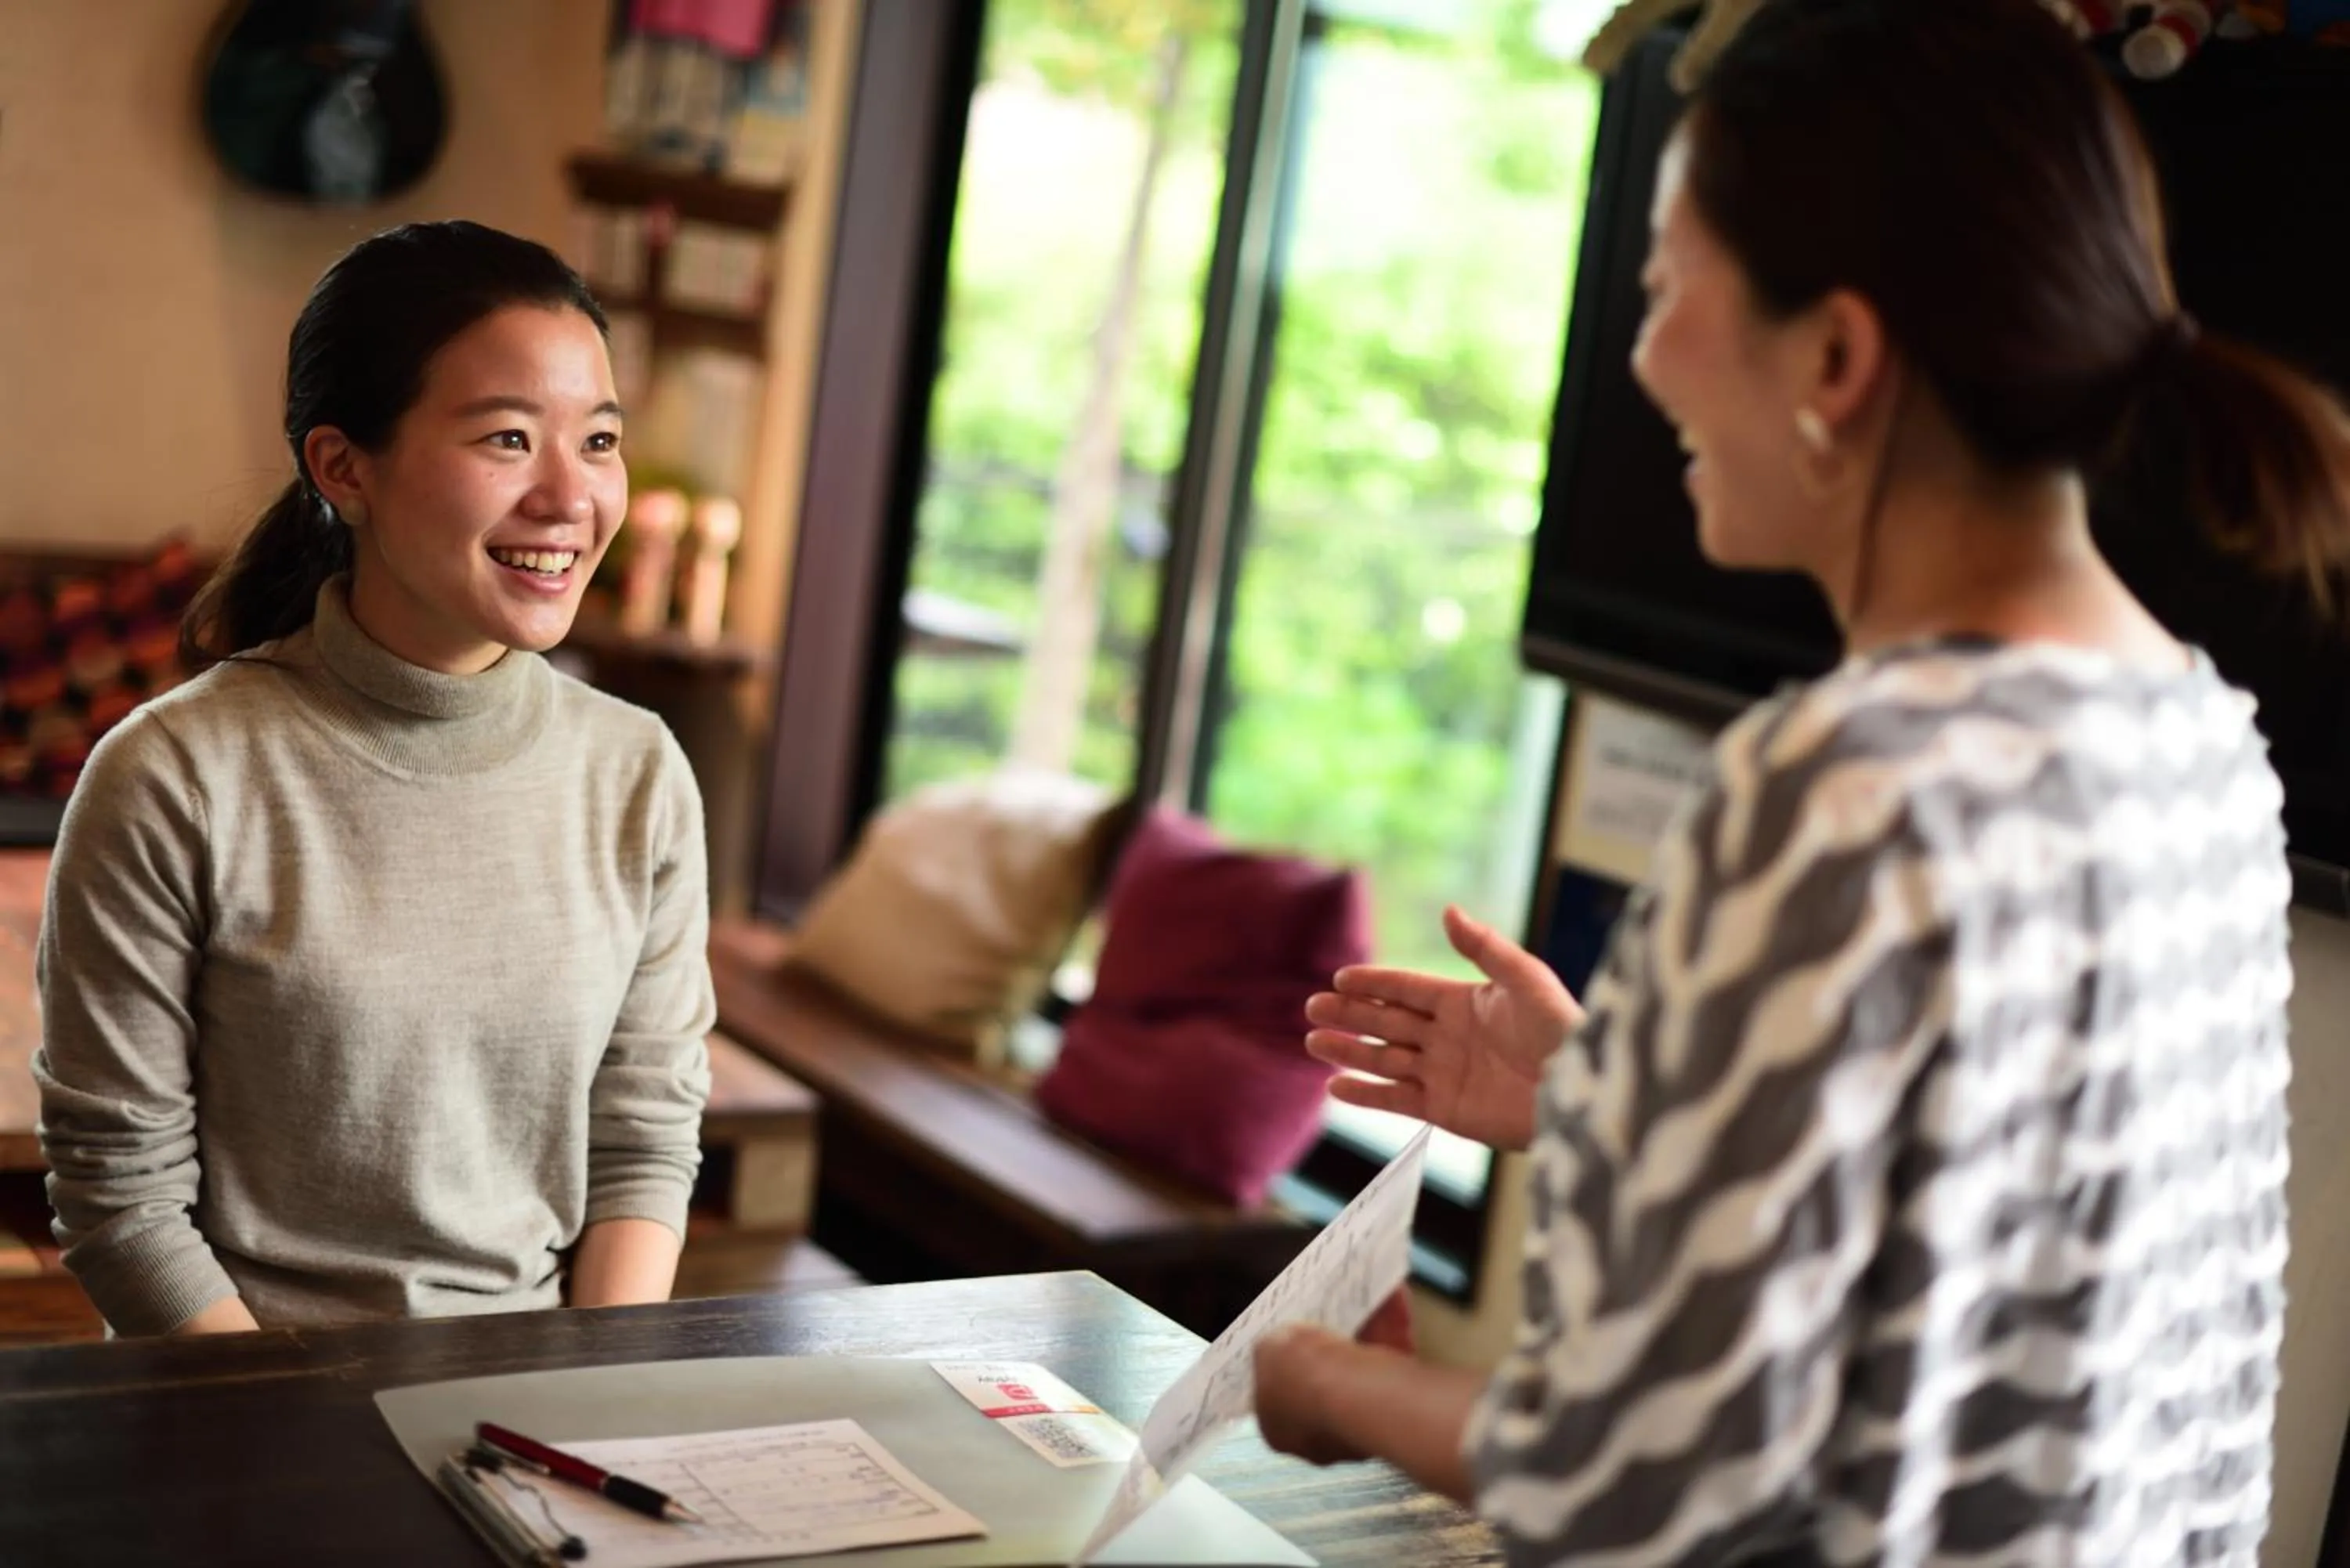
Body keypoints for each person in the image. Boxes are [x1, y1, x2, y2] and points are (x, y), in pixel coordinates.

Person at [1251, 0, 2350, 1560]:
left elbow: (1643, 1468)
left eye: (1667, 290)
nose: (1643, 356)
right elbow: (1979, 1264)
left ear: (1835, 354)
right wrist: (1607, 1102)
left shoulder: (1844, 784)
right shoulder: (2200, 746)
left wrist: (1312, 1383)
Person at [34, 221, 714, 1338]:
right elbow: (121, 1193)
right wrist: (298, 1436)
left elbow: (643, 1130)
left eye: (597, 441)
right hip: (239, 1416)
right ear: (343, 466)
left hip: (533, 1416)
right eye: (507, 439)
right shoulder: (175, 776)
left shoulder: (634, 771)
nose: (567, 497)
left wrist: (595, 1382)